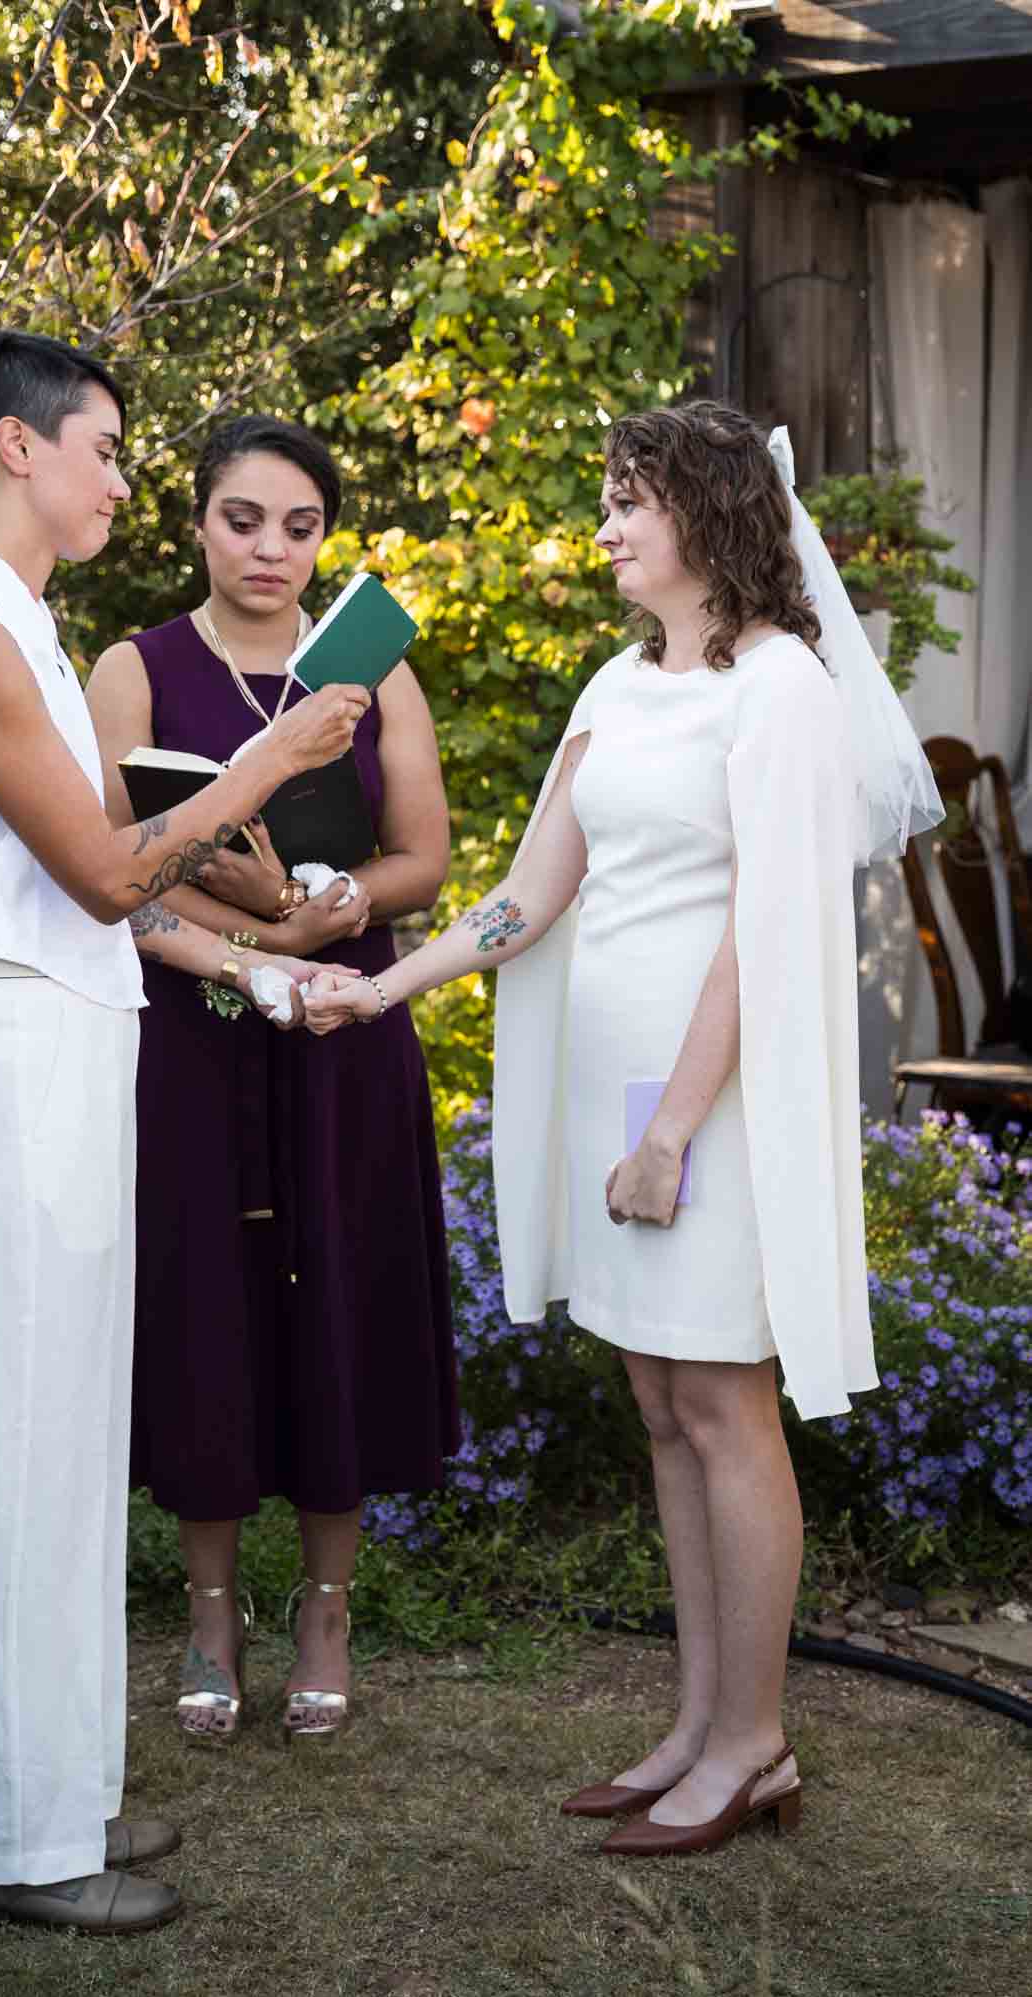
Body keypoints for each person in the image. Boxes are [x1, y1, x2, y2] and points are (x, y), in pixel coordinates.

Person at [305, 402, 942, 1854]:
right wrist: (380, 989)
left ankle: (757, 1746)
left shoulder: (778, 689)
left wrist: (669, 1130)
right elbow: (531, 891)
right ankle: (699, 1723)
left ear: (707, 516)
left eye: (627, 501)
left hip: (705, 1105)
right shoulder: (615, 679)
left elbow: (758, 934)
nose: (603, 527)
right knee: (661, 1409)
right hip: (615, 1097)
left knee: (724, 1407)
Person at [0, 331, 370, 1932]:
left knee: (74, 1454)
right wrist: (271, 761)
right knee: (16, 1466)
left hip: (75, 1053)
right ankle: (8, 1853)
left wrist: (262, 920)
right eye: (102, 448)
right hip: (7, 1060)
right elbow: (99, 875)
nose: (118, 477)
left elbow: (129, 867)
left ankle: (64, 1794)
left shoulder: (22, 622)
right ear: (18, 450)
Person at [85, 415, 457, 1745]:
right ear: (197, 522)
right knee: (206, 1309)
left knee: (340, 1304)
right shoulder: (133, 667)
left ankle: (327, 1611)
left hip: (343, 1033)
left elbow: (426, 859)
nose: (271, 548)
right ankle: (204, 1616)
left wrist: (341, 902)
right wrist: (257, 946)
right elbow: (106, 874)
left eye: (299, 526)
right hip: (192, 1033)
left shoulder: (371, 669)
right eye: (244, 519)